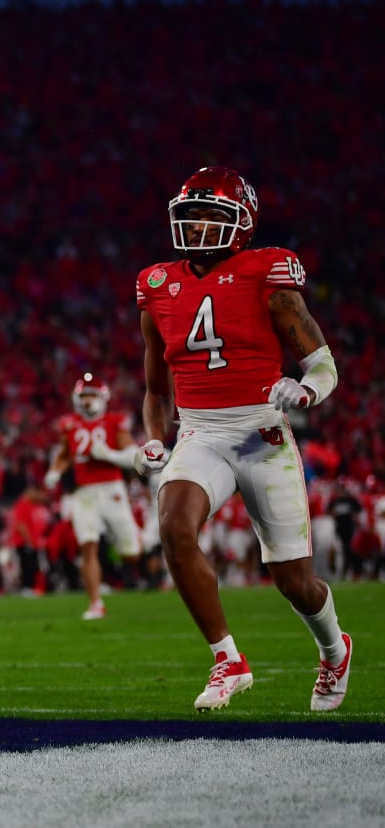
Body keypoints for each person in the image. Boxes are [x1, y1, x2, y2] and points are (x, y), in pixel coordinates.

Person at [135, 166, 351, 712]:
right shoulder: (157, 285)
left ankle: (333, 648)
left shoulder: (265, 271)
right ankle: (227, 658)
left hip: (261, 430)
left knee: (294, 582)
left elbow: (321, 363)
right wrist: (156, 438)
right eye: (192, 215)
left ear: (243, 222)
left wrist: (305, 392)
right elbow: (156, 390)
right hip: (201, 431)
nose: (199, 225)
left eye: (213, 214)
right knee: (174, 526)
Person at [43, 372, 143, 619]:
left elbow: (133, 455)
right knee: (87, 546)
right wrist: (54, 471)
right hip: (83, 492)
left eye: (92, 396)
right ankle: (96, 603)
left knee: (132, 552)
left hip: (112, 489)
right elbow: (66, 454)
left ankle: (128, 551)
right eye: (84, 396)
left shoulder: (114, 422)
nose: (88, 401)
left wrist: (108, 454)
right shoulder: (69, 424)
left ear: (102, 398)